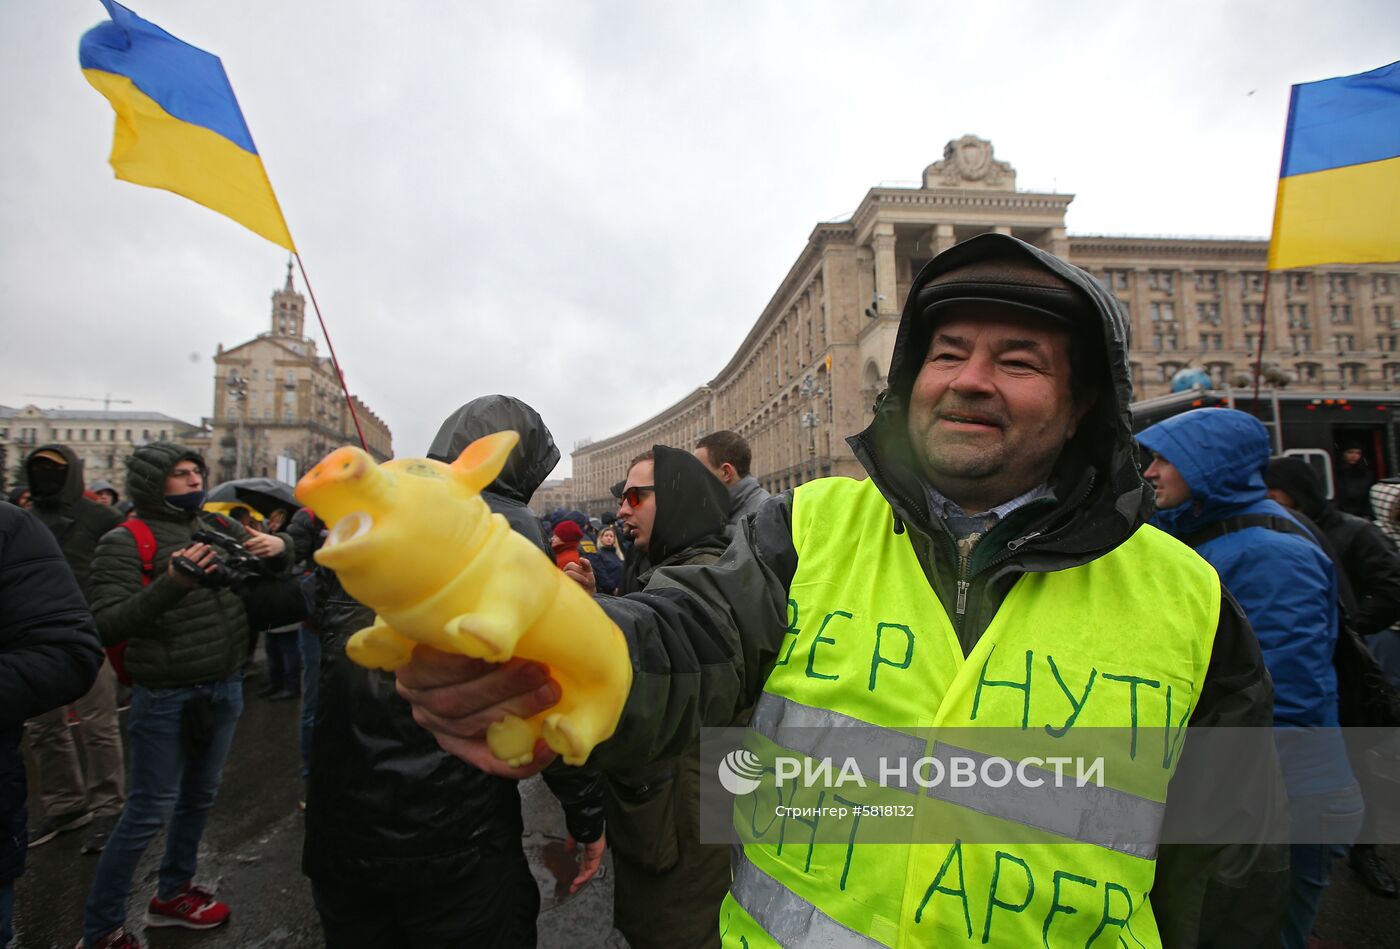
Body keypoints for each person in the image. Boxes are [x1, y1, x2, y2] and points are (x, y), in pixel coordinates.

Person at [394, 234, 1280, 948]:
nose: (969, 377)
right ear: (909, 381)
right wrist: (547, 652)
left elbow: (1228, 869)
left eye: (1018, 360)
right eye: (946, 353)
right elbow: (679, 638)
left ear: (1083, 402)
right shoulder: (808, 527)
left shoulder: (1191, 598)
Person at [302, 395, 606, 948]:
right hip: (455, 833)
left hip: (341, 830)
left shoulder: (359, 526)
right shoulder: (501, 530)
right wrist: (586, 816)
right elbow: (540, 688)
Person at [1140, 408, 1363, 948]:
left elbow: (1283, 699)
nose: (1150, 472)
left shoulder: (1270, 556)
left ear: (1212, 466)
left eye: (1168, 459)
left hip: (1287, 799)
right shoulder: (1214, 531)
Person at [79, 443, 293, 949]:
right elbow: (107, 621)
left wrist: (277, 550)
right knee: (148, 811)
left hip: (223, 685)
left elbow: (279, 564)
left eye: (197, 472)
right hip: (166, 694)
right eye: (180, 474)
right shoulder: (124, 540)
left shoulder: (215, 528)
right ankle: (102, 928)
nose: (194, 481)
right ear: (154, 483)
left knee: (201, 797)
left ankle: (173, 894)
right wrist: (172, 583)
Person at [607, 446, 732, 949]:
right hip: (669, 818)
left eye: (636, 496)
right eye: (622, 496)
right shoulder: (657, 567)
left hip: (687, 826)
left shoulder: (707, 580)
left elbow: (659, 644)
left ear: (678, 499)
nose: (621, 508)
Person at [1265, 457, 1400, 900]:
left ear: (1294, 493)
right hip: (1318, 673)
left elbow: (1390, 588)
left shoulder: (1353, 532)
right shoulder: (1278, 528)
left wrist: (1347, 626)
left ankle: (1367, 853)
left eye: (1274, 490)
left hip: (1345, 668)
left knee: (1357, 766)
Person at [1, 503, 106, 949]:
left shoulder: (12, 528)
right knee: (50, 734)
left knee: (98, 730)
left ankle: (100, 808)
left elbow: (70, 652)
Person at [22, 445, 127, 854]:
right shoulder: (24, 520)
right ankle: (65, 804)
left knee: (98, 724)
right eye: (38, 468)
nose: (45, 475)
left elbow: (123, 567)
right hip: (31, 641)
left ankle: (108, 807)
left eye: (54, 469)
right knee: (44, 728)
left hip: (86, 636)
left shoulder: (101, 518)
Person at [694, 429, 770, 526]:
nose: (695, 480)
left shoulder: (762, 516)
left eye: (700, 472)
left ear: (726, 473)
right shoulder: (722, 509)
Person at [1336, 445, 1376, 519]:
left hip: (1360, 515)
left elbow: (1367, 496)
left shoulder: (1365, 474)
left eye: (1358, 453)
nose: (1354, 456)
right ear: (1342, 453)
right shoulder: (1335, 472)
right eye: (1350, 452)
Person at [592, 525, 625, 596]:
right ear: (601, 538)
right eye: (606, 535)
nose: (609, 538)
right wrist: (613, 589)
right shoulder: (598, 554)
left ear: (614, 539)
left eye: (611, 536)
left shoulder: (618, 554)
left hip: (621, 591)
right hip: (608, 593)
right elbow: (601, 574)